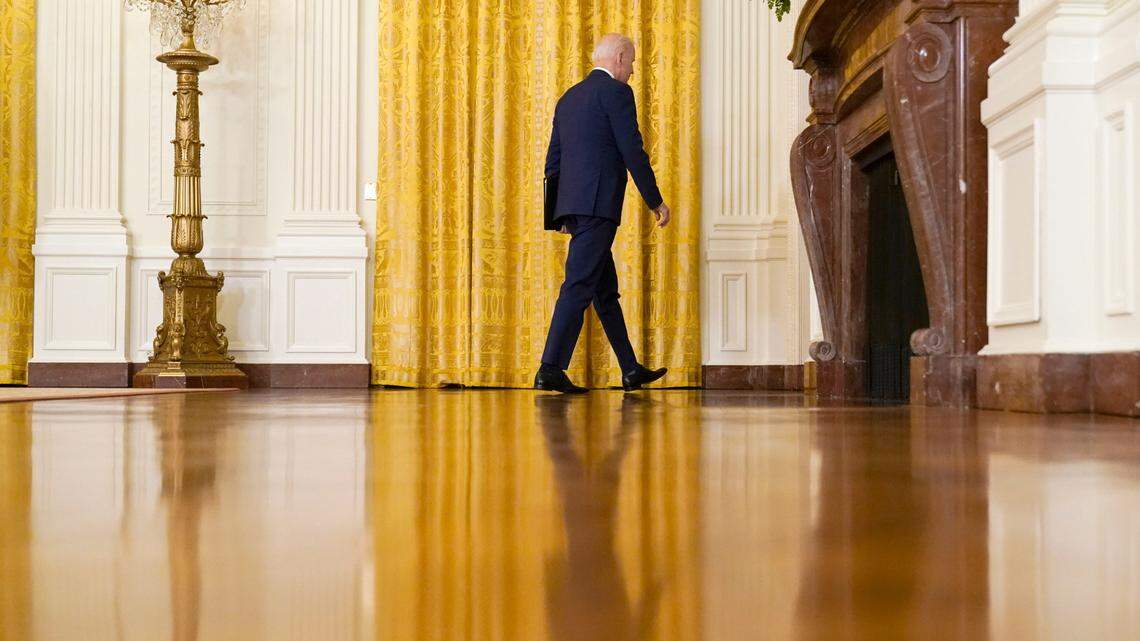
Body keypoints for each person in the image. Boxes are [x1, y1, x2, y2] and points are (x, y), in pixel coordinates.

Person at [534, 33, 670, 394]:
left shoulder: (569, 98)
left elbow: (553, 162)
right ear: (621, 58)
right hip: (598, 206)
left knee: (604, 291)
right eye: (634, 62)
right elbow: (633, 151)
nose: (633, 71)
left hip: (575, 209)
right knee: (578, 285)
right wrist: (655, 200)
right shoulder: (617, 93)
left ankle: (630, 369)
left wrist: (558, 215)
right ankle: (550, 367)